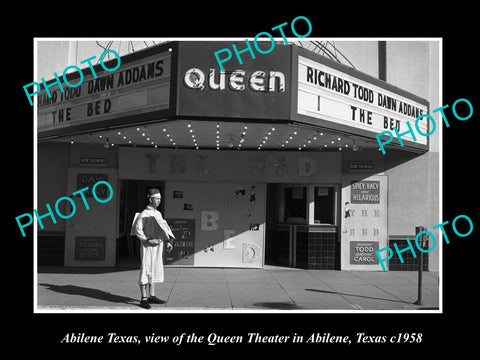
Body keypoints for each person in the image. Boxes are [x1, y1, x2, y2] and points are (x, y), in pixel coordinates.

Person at [134, 188, 174, 309]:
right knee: (146, 268)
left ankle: (152, 295)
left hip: (158, 245)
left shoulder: (158, 214)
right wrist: (147, 240)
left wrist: (168, 241)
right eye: (157, 199)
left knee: (155, 267)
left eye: (160, 199)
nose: (159, 201)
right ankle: (144, 298)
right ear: (151, 199)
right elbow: (138, 230)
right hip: (147, 247)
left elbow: (164, 227)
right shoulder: (144, 214)